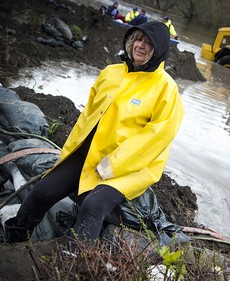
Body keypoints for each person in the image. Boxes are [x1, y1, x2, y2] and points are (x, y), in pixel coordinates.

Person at [4, 21, 185, 251]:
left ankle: (74, 261)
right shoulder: (110, 73)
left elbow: (154, 139)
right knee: (41, 193)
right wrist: (67, 156)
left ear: (159, 50)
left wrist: (112, 165)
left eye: (149, 43)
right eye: (138, 39)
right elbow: (86, 119)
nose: (141, 45)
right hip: (89, 156)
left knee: (93, 206)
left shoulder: (166, 90)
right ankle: (13, 245)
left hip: (130, 169)